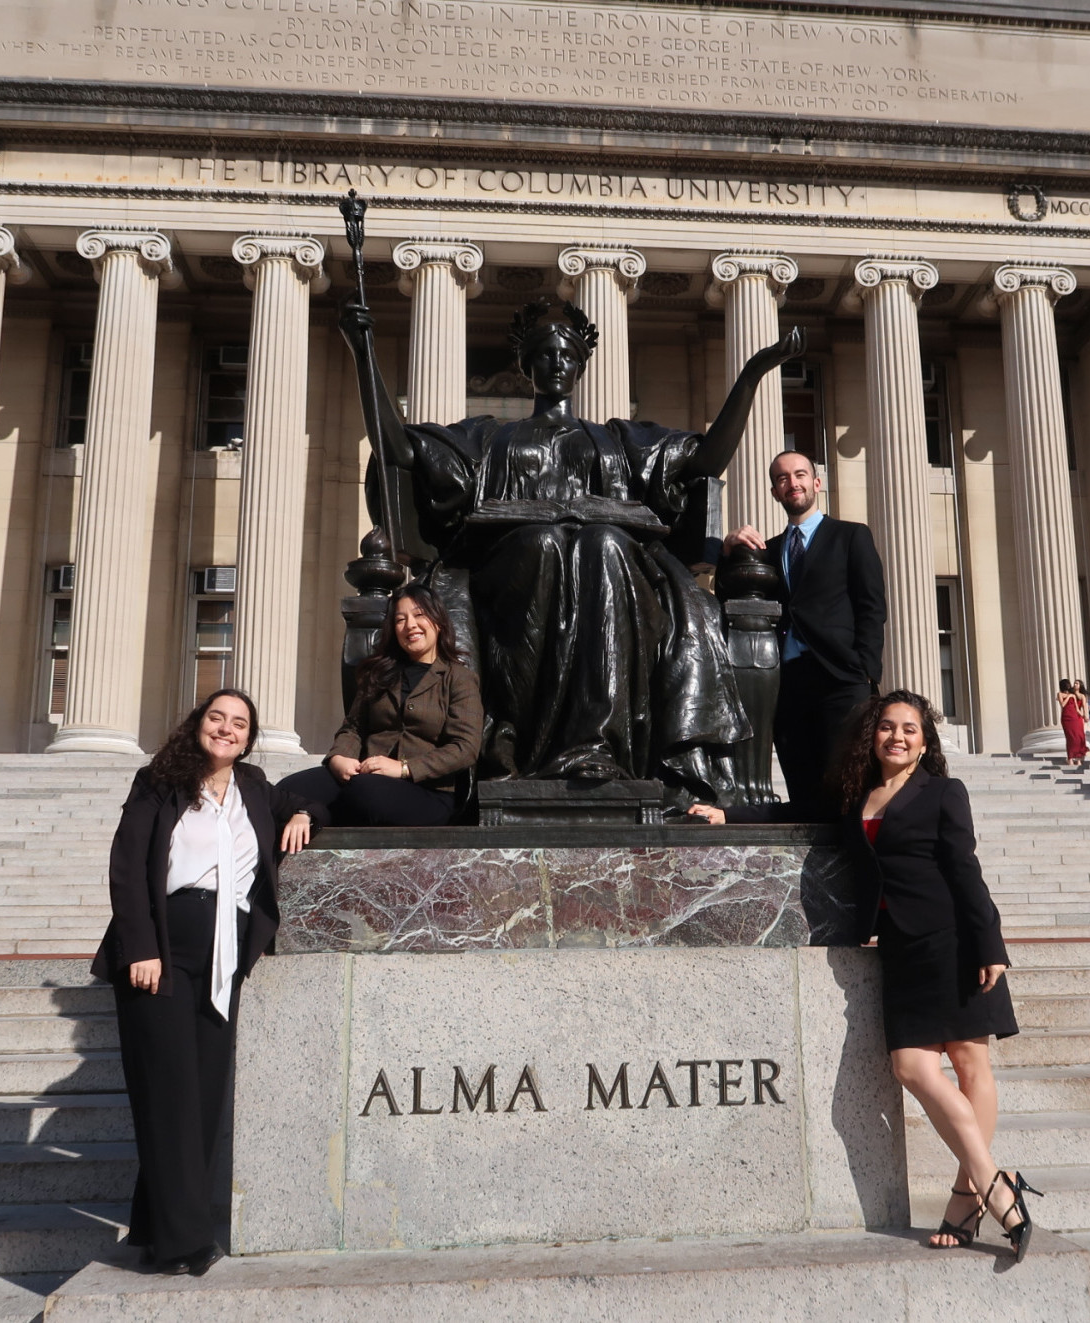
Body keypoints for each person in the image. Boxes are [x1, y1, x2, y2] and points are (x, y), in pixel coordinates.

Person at [341, 298, 803, 799]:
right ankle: (517, 743)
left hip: (610, 570)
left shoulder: (619, 441)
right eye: (544, 354)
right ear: (527, 366)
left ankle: (597, 745)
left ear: (581, 367)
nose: (556, 363)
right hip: (510, 571)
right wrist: (364, 353)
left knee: (602, 543)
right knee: (543, 543)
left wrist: (753, 375)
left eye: (567, 355)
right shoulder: (490, 438)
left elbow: (707, 459)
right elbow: (400, 449)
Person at [91, 690, 315, 1276]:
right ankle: (185, 1244)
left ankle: (154, 1224)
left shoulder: (256, 788)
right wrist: (140, 947)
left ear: (248, 737)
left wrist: (303, 814)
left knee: (202, 1097)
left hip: (225, 956)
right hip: (162, 950)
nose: (227, 729)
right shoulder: (159, 780)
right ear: (198, 724)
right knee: (168, 1096)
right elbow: (128, 864)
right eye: (217, 717)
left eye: (239, 723)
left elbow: (306, 797)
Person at [836, 689, 1036, 1258]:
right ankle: (998, 1184)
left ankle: (966, 1197)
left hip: (953, 942)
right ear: (873, 736)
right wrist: (730, 813)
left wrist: (989, 945)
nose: (896, 736)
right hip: (901, 950)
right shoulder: (858, 797)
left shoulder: (944, 792)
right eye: (887, 727)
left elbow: (965, 870)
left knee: (971, 1066)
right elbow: (798, 818)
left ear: (925, 743)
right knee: (913, 1066)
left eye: (910, 729)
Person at [719, 449, 886, 817]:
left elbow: (872, 607)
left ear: (816, 482)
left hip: (840, 678)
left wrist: (866, 670)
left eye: (799, 475)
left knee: (848, 787)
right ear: (775, 492)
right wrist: (728, 550)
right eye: (782, 478)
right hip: (787, 683)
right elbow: (732, 598)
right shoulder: (768, 551)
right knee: (803, 787)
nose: (791, 483)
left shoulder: (850, 536)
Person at [322, 585, 483, 827]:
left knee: (362, 792)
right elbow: (353, 727)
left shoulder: (459, 678)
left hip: (428, 791)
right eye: (400, 619)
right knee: (294, 788)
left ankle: (318, 811)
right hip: (365, 777)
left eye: (419, 615)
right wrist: (339, 758)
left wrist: (404, 768)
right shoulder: (378, 673)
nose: (410, 626)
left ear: (438, 622)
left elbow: (465, 748)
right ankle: (310, 813)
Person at [1057, 678, 1087, 765]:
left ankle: (1078, 758)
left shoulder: (1073, 695)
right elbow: (1063, 705)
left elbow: (1077, 708)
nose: (1070, 685)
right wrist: (1069, 696)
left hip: (1075, 718)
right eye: (1068, 684)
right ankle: (1070, 758)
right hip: (1066, 718)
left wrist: (1083, 716)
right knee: (1070, 737)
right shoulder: (1060, 694)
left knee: (1077, 737)